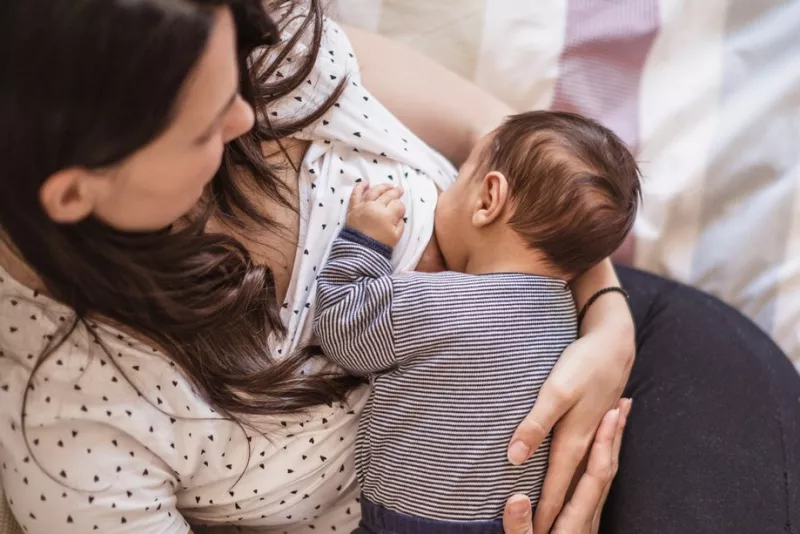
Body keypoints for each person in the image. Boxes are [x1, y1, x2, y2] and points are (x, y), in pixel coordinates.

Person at [0, 1, 796, 534]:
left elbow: (518, 144)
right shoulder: (68, 422)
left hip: (642, 361)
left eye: (235, 80)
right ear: (73, 192)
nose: (245, 113)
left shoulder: (244, 41)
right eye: (207, 125)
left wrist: (605, 313)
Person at [313, 111, 642, 533]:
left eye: (459, 176)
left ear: (488, 199)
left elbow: (343, 329)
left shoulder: (436, 301)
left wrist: (364, 240)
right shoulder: (570, 325)